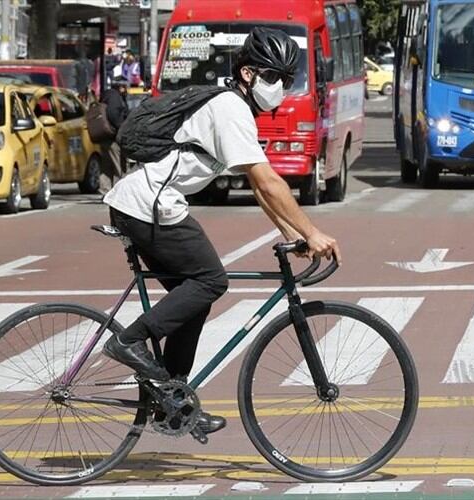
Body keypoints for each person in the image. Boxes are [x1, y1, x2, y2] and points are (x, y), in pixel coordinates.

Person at [100, 27, 341, 435]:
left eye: (287, 80)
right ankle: (129, 341)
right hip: (148, 207)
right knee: (212, 280)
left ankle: (170, 400)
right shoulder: (230, 108)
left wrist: (290, 233)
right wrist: (312, 231)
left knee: (194, 299)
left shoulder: (231, 107)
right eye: (273, 78)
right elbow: (267, 182)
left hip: (147, 206)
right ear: (248, 74)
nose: (281, 88)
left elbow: (259, 188)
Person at [98, 77, 130, 193]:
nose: (126, 89)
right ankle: (118, 191)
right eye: (125, 86)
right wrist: (121, 127)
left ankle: (105, 189)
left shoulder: (107, 95)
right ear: (120, 87)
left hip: (105, 136)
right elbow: (113, 114)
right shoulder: (115, 97)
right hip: (113, 136)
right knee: (118, 165)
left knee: (106, 165)